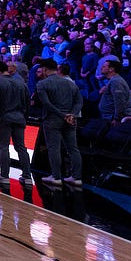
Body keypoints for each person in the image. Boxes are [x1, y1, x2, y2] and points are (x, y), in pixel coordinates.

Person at [35, 58, 83, 187]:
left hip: (53, 119)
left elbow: (46, 103)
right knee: (73, 149)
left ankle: (56, 177)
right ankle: (77, 178)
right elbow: (79, 102)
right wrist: (71, 114)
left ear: (45, 70)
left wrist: (63, 115)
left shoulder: (42, 84)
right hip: (71, 119)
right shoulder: (71, 83)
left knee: (54, 149)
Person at [0, 62, 32, 186]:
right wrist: (25, 118)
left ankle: (4, 176)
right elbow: (27, 103)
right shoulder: (22, 83)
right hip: (20, 118)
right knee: (21, 147)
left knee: (3, 146)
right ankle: (27, 176)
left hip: (3, 118)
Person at [98, 59, 131, 125]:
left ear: (111, 69)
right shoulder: (113, 81)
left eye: (104, 66)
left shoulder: (116, 82)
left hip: (113, 118)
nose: (101, 68)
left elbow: (119, 101)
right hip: (109, 117)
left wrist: (117, 118)